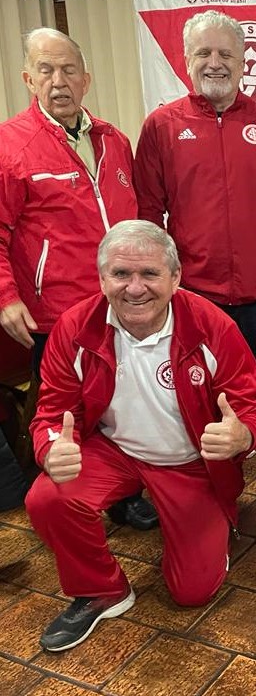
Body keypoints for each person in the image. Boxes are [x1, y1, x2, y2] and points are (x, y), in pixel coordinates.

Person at [25, 220, 256, 652]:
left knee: (192, 591)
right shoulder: (74, 326)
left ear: (175, 277)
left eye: (150, 274)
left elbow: (248, 406)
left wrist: (242, 436)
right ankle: (102, 589)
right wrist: (50, 447)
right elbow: (52, 411)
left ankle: (214, 527)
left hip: (190, 463)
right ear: (102, 278)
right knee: (47, 497)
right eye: (121, 274)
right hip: (114, 451)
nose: (135, 288)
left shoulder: (213, 326)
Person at [0, 27, 155, 531]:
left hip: (123, 307)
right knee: (67, 412)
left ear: (86, 80)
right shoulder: (10, 146)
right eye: (45, 70)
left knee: (125, 404)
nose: (58, 80)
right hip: (57, 315)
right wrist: (6, 297)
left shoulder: (114, 140)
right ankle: (68, 503)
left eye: (68, 70)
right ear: (28, 79)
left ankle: (124, 493)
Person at [134, 10, 256, 390]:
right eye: (203, 53)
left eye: (225, 54)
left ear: (243, 62)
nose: (214, 63)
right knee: (200, 395)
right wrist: (162, 283)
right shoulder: (161, 127)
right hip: (193, 297)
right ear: (187, 60)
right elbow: (148, 218)